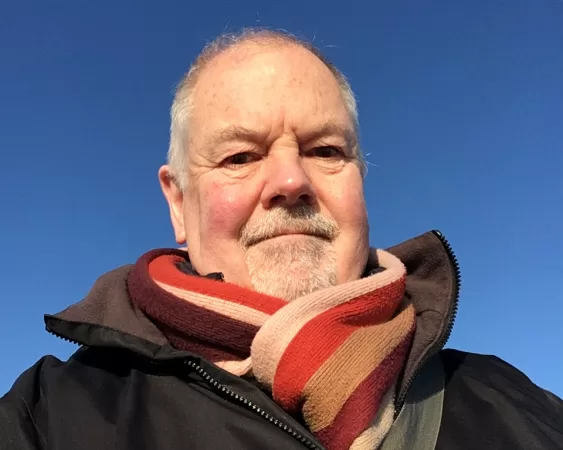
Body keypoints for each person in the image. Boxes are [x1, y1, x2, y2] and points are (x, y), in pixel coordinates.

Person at [1, 28, 561, 450]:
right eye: (240, 157)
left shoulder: (516, 404)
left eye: (325, 151)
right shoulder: (46, 419)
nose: (292, 182)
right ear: (178, 203)